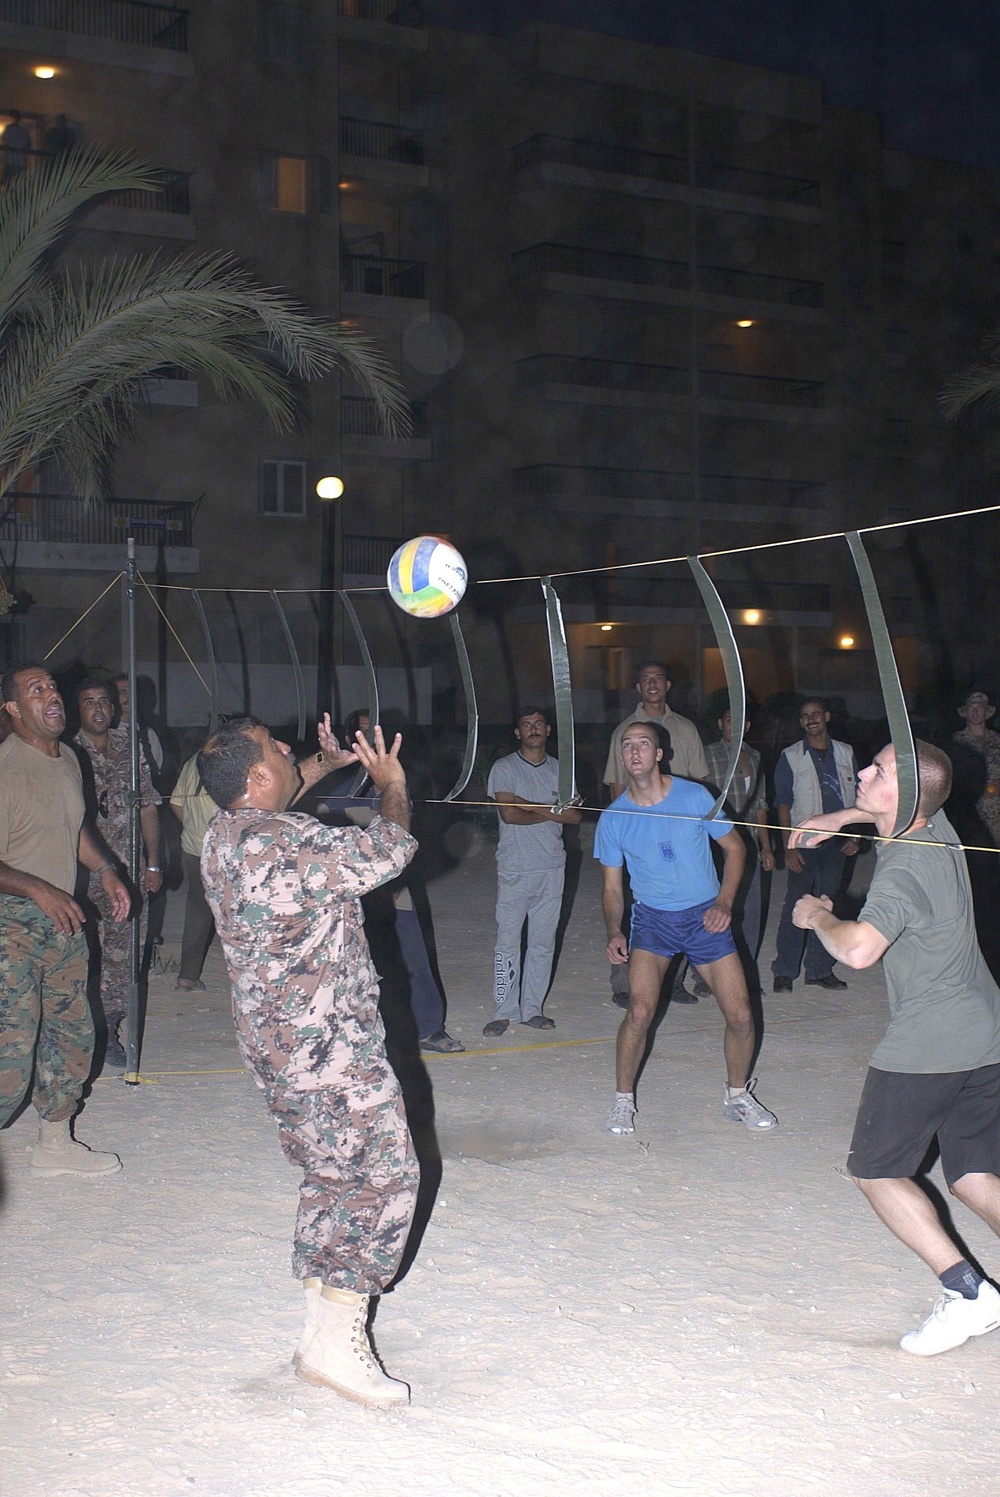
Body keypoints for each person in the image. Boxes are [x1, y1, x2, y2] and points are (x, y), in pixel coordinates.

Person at [198, 715, 420, 1407]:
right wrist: (392, 784)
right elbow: (388, 850)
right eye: (279, 748)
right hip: (329, 1046)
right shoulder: (291, 840)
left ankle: (321, 1335)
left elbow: (278, 811)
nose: (291, 748)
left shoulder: (223, 837)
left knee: (331, 1174)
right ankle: (340, 1337)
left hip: (276, 1047)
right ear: (259, 777)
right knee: (384, 1175)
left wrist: (319, 765)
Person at [790, 739, 1000, 1356]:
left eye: (877, 770)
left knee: (875, 1169)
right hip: (985, 1031)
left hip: (930, 1041)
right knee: (971, 1174)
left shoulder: (906, 865)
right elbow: (901, 807)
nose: (862, 771)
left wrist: (818, 917)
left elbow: (858, 950)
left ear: (906, 795)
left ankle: (969, 1295)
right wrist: (840, 817)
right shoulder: (938, 826)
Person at [595, 721, 777, 1136]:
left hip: (703, 917)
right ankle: (623, 1101)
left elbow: (735, 849)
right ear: (622, 757)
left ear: (660, 754)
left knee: (743, 1015)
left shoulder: (695, 796)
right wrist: (613, 930)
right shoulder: (614, 817)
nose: (635, 751)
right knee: (639, 1011)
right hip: (653, 921)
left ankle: (737, 1097)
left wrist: (724, 902)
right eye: (627, 745)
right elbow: (611, 887)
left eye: (644, 743)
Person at [0, 663, 129, 1176]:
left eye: (53, 686)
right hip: (9, 923)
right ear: (13, 709)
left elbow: (74, 826)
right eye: (37, 690)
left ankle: (55, 1142)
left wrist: (108, 869)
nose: (52, 694)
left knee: (72, 1034)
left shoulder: (71, 760)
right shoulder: (4, 768)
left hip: (62, 919)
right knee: (10, 1052)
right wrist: (37, 889)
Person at [334, 708, 463, 1055]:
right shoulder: (338, 786)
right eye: (360, 733)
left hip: (397, 886)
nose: (370, 741)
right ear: (349, 740)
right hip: (353, 891)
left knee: (414, 959)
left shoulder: (402, 781)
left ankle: (430, 1027)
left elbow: (416, 837)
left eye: (375, 733)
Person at [604, 661, 709, 1009]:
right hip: (640, 831)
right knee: (637, 902)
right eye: (645, 679)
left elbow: (701, 781)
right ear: (638, 688)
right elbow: (618, 786)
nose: (651, 684)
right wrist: (623, 832)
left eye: (657, 678)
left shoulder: (686, 728)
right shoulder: (624, 730)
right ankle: (624, 982)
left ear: (667, 685)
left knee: (685, 902)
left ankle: (674, 981)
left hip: (682, 832)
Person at [72, 677, 162, 1067]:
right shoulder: (66, 749)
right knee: (81, 952)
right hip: (79, 873)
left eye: (104, 702)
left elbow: (147, 807)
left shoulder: (130, 747)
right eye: (89, 702)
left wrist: (154, 862)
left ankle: (108, 1029)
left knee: (124, 955)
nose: (98, 709)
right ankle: (77, 1031)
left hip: (127, 871)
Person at [483, 706, 582, 1037]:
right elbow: (509, 815)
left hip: (553, 866)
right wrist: (553, 810)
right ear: (517, 733)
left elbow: (574, 817)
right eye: (526, 725)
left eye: (539, 724)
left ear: (548, 729)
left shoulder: (561, 770)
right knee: (508, 942)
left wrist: (529, 803)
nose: (533, 729)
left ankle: (532, 1009)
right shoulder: (504, 768)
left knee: (542, 942)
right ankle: (503, 1010)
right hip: (515, 867)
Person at [771, 697, 859, 993]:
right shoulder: (791, 755)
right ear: (801, 722)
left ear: (827, 716)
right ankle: (784, 970)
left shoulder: (846, 752)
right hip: (804, 843)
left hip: (837, 843)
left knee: (828, 903)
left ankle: (819, 970)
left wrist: (854, 835)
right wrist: (789, 845)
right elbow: (783, 803)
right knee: (796, 903)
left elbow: (859, 798)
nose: (811, 719)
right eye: (805, 716)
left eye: (816, 714)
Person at [702, 704, 775, 993]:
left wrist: (766, 846)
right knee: (715, 905)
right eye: (729, 720)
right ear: (720, 723)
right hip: (717, 840)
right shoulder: (708, 754)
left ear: (747, 726)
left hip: (749, 840)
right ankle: (708, 975)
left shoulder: (755, 757)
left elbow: (761, 804)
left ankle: (745, 973)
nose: (734, 725)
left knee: (751, 909)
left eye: (740, 721)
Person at [169, 747, 219, 991]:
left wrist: (195, 830)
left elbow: (176, 803)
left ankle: (187, 976)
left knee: (198, 909)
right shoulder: (236, 759)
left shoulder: (193, 760)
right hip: (224, 850)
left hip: (193, 848)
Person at [1, 111, 30, 185]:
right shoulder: (11, 129)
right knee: (11, 178)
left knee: (17, 179)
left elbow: (25, 142)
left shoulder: (23, 130)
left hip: (17, 159)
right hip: (12, 159)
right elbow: (6, 140)